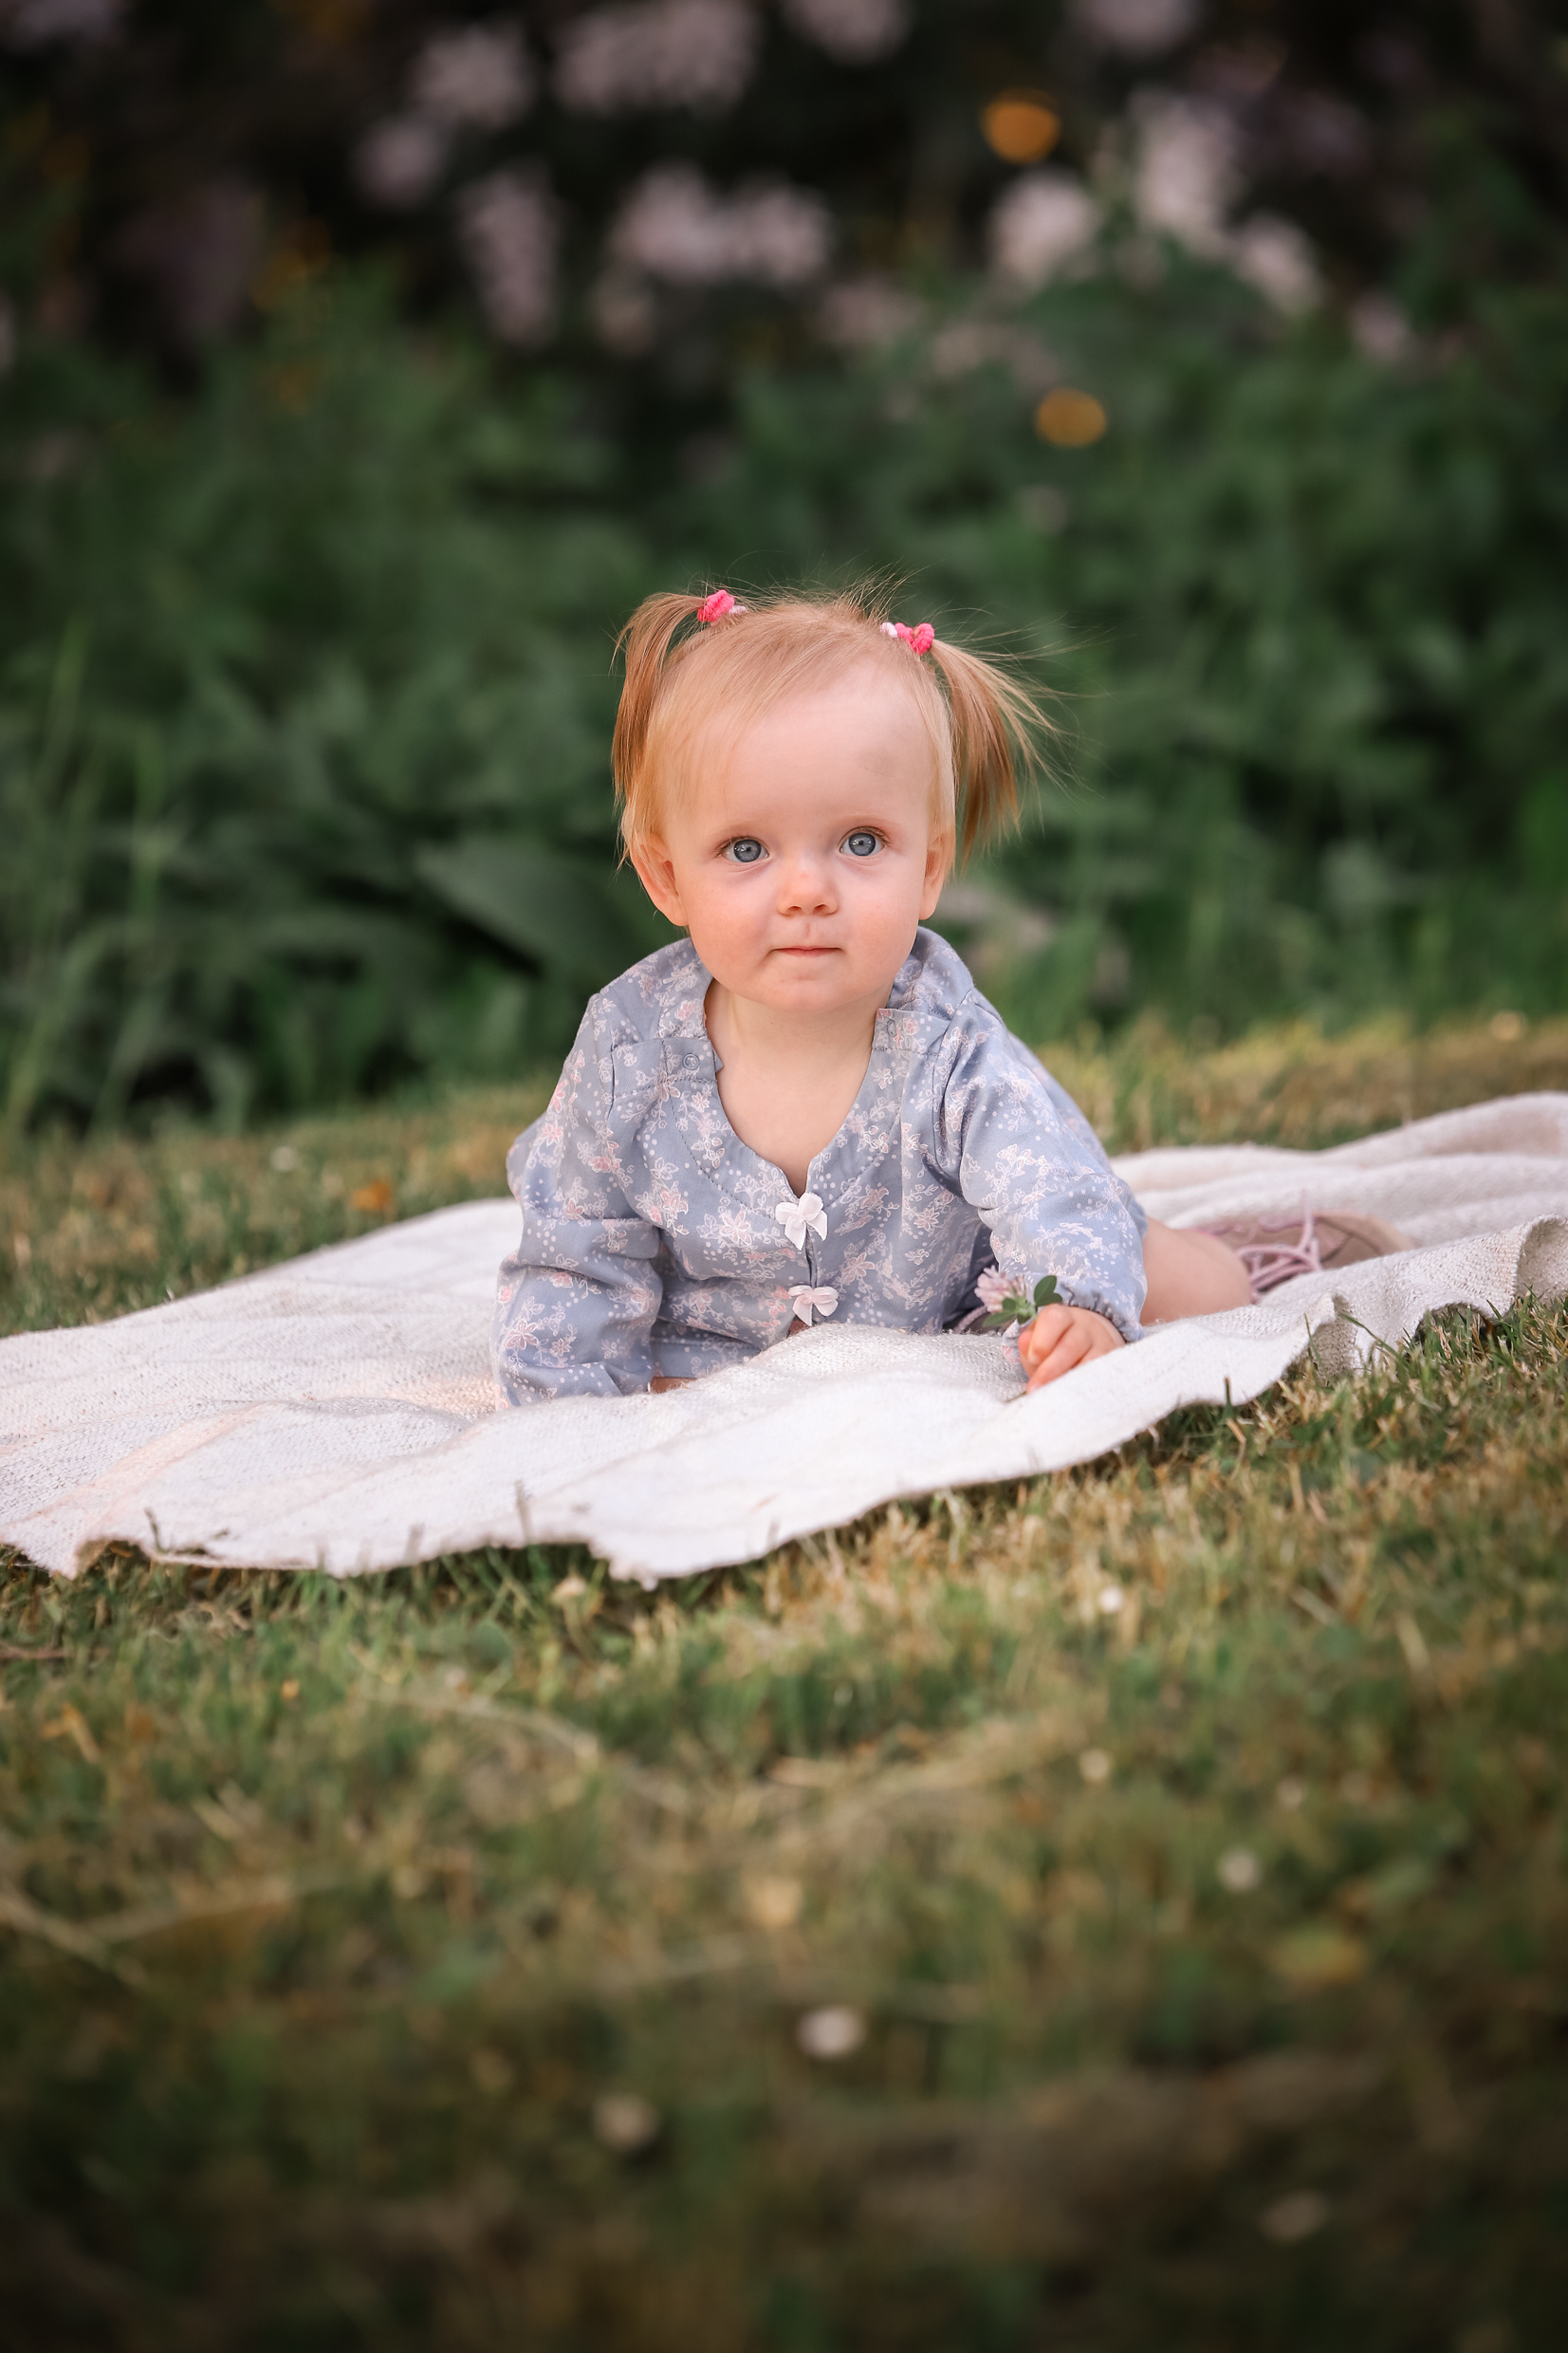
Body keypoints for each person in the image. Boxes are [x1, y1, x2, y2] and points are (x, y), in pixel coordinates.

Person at [492, 585, 1407, 1403]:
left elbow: (1045, 1181)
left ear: (928, 871)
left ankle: (1244, 1252)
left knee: (1162, 1275)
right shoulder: (629, 1053)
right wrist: (564, 1402)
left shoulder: (943, 1044)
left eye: (858, 843)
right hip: (720, 1346)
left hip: (964, 1292)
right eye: (746, 850)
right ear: (665, 879)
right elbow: (576, 1245)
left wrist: (1077, 1307)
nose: (805, 890)